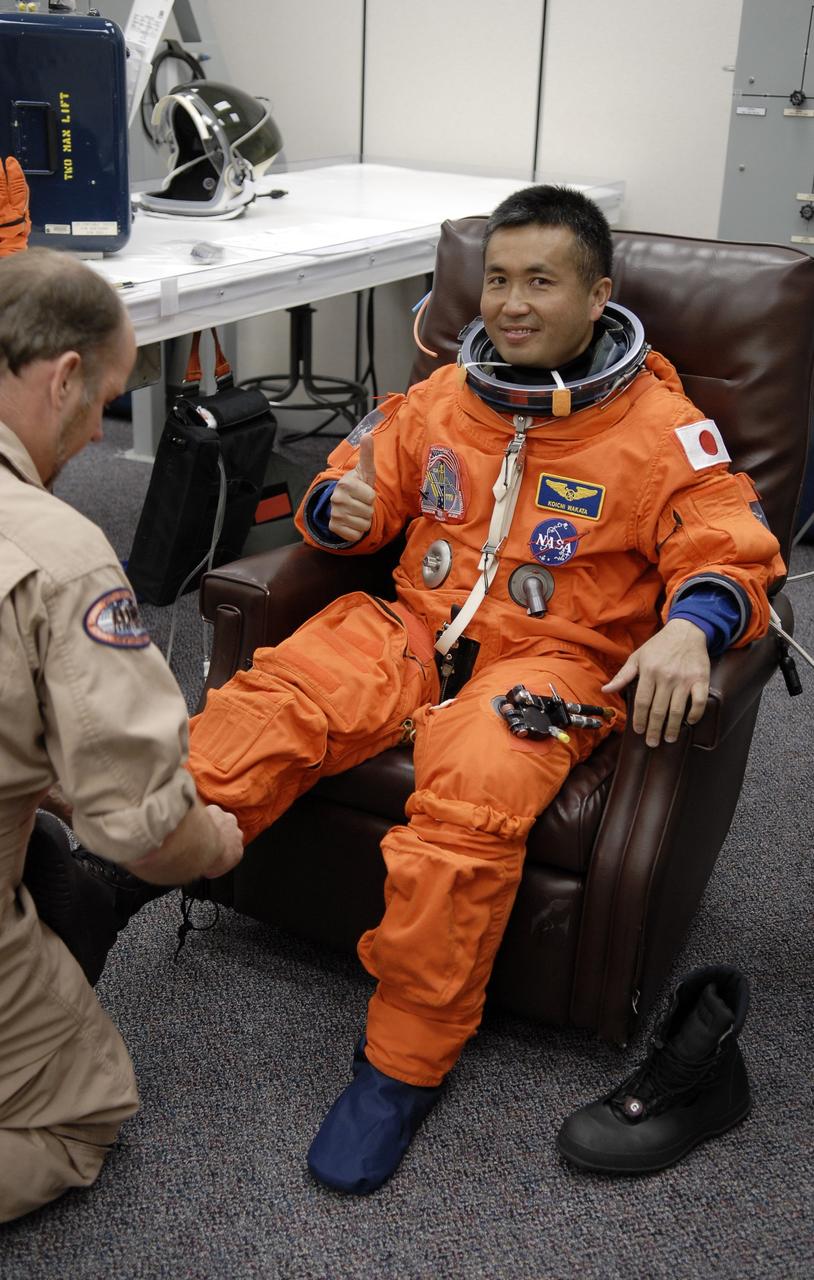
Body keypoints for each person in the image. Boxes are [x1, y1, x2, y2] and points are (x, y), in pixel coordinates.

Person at [187, 185, 784, 1194]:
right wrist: (339, 507)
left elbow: (731, 546)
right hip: (412, 629)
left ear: (597, 295)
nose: (510, 302)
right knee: (258, 712)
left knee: (468, 805)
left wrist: (692, 627)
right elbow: (352, 490)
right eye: (497, 279)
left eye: (540, 281)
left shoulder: (660, 428)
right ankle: (108, 884)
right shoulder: (442, 398)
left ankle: (399, 1067)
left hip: (551, 662)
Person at [0, 247, 244, 1223]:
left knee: (48, 851)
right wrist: (209, 842)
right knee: (79, 1115)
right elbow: (144, 830)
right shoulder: (58, 553)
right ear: (62, 376)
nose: (99, 430)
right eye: (102, 400)